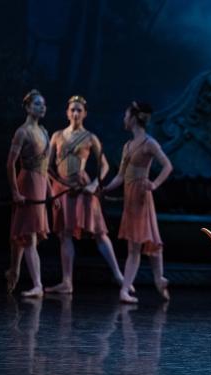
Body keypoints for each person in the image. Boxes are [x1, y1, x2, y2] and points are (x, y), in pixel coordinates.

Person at [45, 95, 126, 294]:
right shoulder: (57, 136)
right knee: (64, 233)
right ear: (67, 112)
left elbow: (104, 165)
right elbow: (47, 166)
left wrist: (94, 183)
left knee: (99, 232)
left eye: (79, 110)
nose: (75, 113)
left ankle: (120, 277)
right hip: (62, 188)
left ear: (85, 114)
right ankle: (67, 282)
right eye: (72, 109)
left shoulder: (90, 137)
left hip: (82, 187)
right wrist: (53, 188)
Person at [103, 102, 173, 303]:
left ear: (133, 118)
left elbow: (167, 166)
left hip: (141, 197)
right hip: (130, 198)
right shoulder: (127, 146)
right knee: (139, 244)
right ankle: (156, 280)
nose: (124, 119)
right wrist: (105, 188)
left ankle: (130, 288)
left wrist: (154, 184)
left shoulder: (149, 143)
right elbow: (120, 176)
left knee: (141, 243)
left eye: (126, 115)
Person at [6, 89, 53, 297]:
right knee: (29, 235)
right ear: (27, 107)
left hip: (40, 185)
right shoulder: (22, 132)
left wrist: (50, 192)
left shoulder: (44, 131)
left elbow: (45, 167)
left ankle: (14, 271)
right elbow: (10, 164)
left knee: (25, 233)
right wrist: (15, 193)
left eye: (43, 104)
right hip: (27, 184)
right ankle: (37, 285)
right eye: (37, 104)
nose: (41, 107)